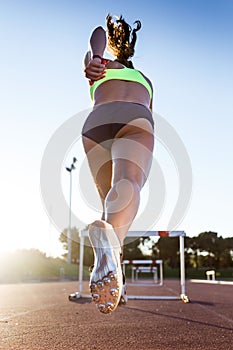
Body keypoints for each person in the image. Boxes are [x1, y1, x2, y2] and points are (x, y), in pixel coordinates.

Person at [82, 14, 154, 314]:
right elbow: (151, 112)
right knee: (128, 183)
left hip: (96, 122)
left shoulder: (101, 67)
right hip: (135, 117)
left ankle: (113, 280)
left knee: (109, 212)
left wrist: (95, 59)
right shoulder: (146, 81)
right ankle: (111, 255)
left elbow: (97, 33)